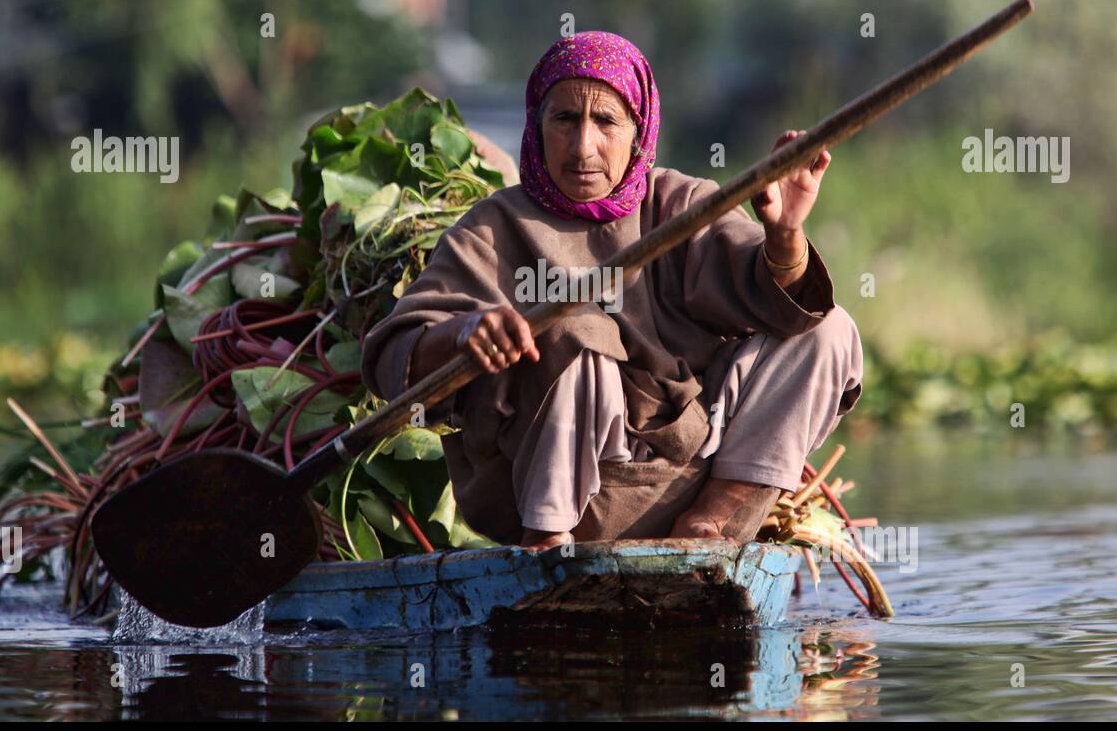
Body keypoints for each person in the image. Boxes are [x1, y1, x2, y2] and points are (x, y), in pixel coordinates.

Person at [361, 31, 862, 551]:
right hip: (547, 497)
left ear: (638, 129)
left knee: (829, 329)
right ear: (536, 126)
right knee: (574, 329)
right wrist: (464, 334)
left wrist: (785, 234)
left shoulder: (681, 205)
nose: (583, 147)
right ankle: (549, 543)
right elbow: (392, 358)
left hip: (685, 471)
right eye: (564, 120)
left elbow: (773, 295)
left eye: (604, 122)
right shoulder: (492, 228)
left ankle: (713, 519)